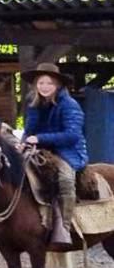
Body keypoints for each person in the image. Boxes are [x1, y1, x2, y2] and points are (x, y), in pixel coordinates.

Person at [21, 62, 87, 244]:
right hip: (41, 149)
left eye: (49, 83)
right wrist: (23, 143)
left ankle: (65, 227)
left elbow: (72, 135)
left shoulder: (69, 105)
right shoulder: (34, 103)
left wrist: (40, 139)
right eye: (41, 83)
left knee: (65, 179)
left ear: (58, 85)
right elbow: (29, 130)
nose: (44, 87)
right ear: (35, 85)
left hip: (68, 151)